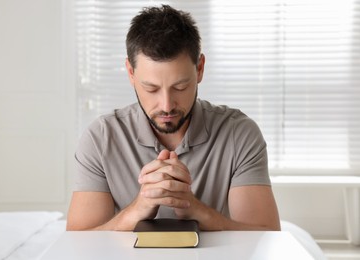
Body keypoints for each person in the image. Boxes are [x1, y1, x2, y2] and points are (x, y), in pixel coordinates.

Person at [66, 4, 281, 231]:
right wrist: (139, 208)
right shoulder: (101, 137)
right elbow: (78, 241)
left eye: (180, 86)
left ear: (199, 69)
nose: (167, 105)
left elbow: (265, 235)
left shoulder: (239, 133)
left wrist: (194, 208)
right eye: (151, 89)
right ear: (130, 73)